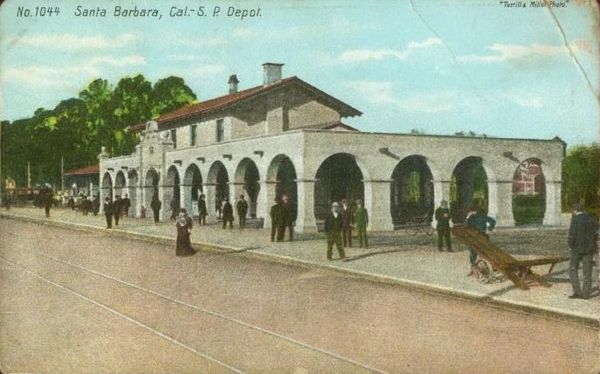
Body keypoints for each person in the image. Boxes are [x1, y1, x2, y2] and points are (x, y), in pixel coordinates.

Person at [568, 203, 599, 300]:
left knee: (573, 269)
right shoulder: (591, 218)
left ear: (575, 210)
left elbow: (571, 235)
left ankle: (577, 292)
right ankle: (586, 294)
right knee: (587, 272)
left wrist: (570, 246)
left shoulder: (575, 220)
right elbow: (597, 232)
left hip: (577, 249)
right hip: (589, 249)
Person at [466, 206, 496, 276]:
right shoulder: (482, 216)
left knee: (473, 252)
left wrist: (467, 217)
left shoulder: (471, 217)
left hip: (475, 237)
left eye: (470, 212)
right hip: (483, 236)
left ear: (472, 211)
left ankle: (474, 268)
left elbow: (467, 226)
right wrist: (489, 229)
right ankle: (487, 266)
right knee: (485, 252)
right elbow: (493, 221)